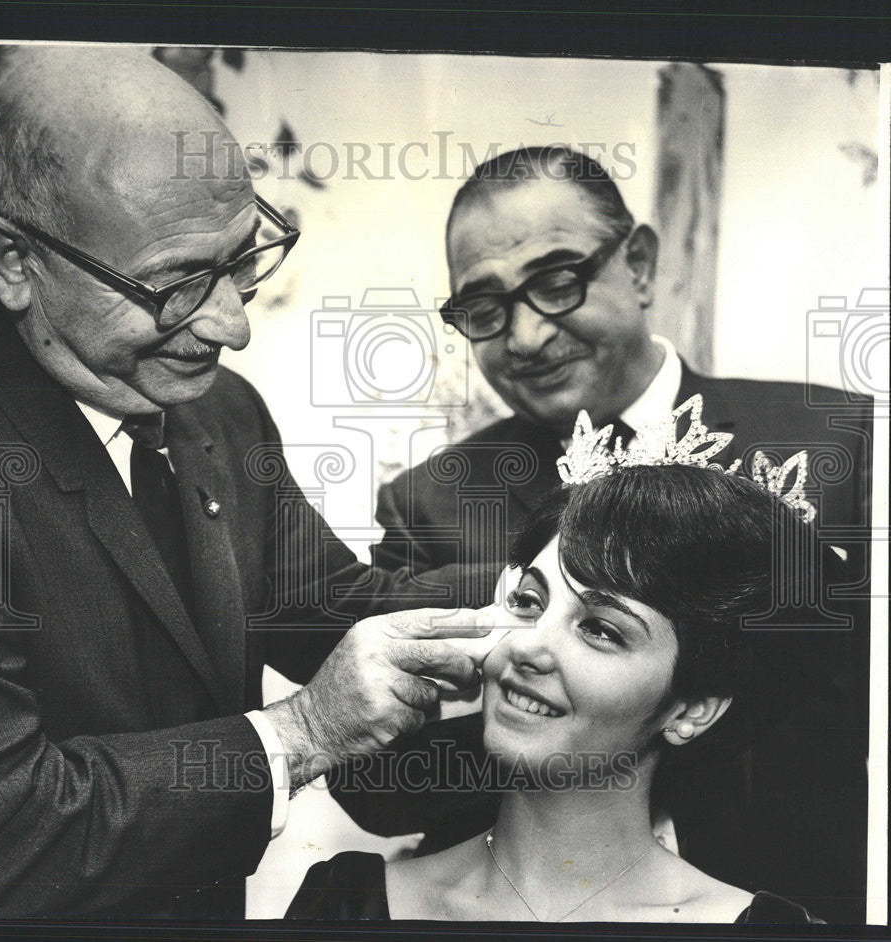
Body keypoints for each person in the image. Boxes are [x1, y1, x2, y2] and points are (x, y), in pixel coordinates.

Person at [0, 47, 491, 918]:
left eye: (243, 258)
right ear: (17, 260)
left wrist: (553, 577)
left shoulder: (220, 412)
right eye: (178, 284)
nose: (231, 326)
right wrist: (300, 736)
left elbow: (328, 608)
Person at [360, 147, 872, 921]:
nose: (525, 338)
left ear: (637, 264)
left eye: (557, 283)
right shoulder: (431, 501)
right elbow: (377, 790)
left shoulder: (840, 448)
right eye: (485, 309)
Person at [289, 408, 834, 922]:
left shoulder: (764, 929)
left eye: (600, 629)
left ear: (693, 708)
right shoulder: (347, 903)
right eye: (528, 601)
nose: (526, 646)